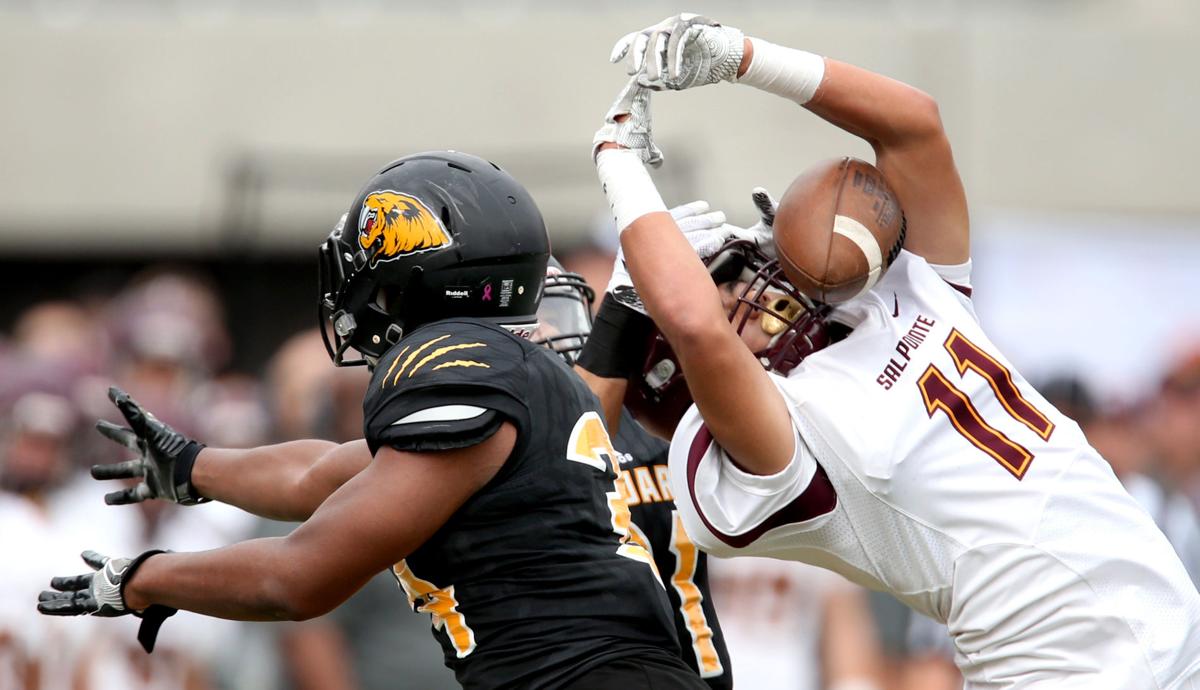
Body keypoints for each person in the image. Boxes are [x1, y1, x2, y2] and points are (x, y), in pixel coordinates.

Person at [591, 14, 1200, 688]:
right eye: (733, 300)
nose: (755, 286)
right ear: (688, 383)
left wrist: (741, 57)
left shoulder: (911, 289)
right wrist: (618, 164)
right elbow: (695, 324)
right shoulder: (790, 444)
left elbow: (916, 124)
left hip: (1169, 626)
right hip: (1062, 667)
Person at [38, 151, 707, 690]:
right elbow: (320, 473)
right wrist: (193, 467)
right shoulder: (521, 377)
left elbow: (298, 579)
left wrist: (144, 580)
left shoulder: (457, 362)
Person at [536, 256, 733, 689]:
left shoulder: (649, 416)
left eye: (552, 313)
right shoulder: (513, 450)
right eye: (531, 321)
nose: (548, 332)